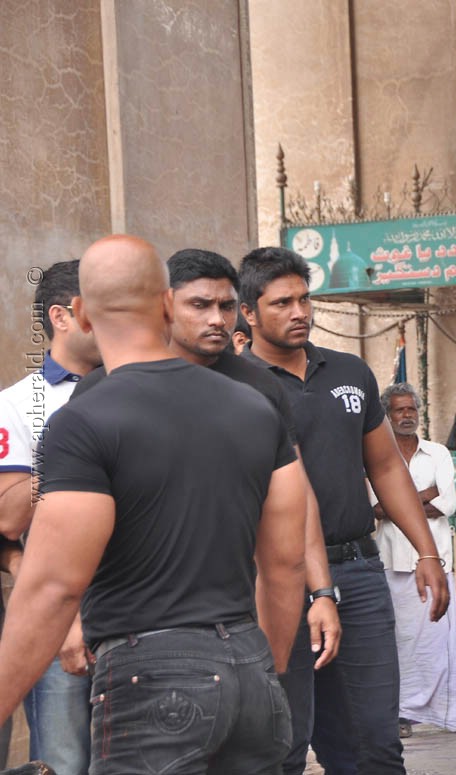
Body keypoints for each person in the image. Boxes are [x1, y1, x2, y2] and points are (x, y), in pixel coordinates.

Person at [0, 234, 308, 773]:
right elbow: (286, 562)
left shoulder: (83, 420)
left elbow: (54, 586)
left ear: (81, 313)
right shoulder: (254, 407)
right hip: (249, 659)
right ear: (167, 304)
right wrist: (268, 670)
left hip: (151, 678)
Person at [70, 248, 343, 674]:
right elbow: (74, 524)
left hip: (245, 619)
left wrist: (320, 591)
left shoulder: (259, 389)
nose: (217, 319)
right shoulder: (104, 389)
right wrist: (71, 618)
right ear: (165, 305)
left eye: (226, 306)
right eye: (199, 305)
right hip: (138, 633)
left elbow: (294, 501)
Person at [239, 246, 449, 775]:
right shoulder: (235, 385)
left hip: (359, 571)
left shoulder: (350, 372)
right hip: (275, 580)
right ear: (248, 313)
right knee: (283, 745)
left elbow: (385, 466)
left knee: (374, 743)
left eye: (304, 299)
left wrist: (427, 552)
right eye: (282, 303)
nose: (299, 312)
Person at [0, 259, 101, 775]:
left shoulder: (140, 392)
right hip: (61, 613)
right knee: (63, 762)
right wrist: (67, 453)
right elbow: (8, 519)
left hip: (144, 608)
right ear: (61, 317)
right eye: (100, 308)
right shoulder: (17, 404)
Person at [373, 383, 456, 738]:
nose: (407, 415)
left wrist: (397, 503)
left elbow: (447, 504)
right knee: (400, 641)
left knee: (444, 642)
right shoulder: (376, 454)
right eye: (399, 410)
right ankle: (401, 713)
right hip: (393, 562)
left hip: (435, 562)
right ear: (387, 415)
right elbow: (374, 507)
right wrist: (423, 496)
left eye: (411, 409)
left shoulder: (437, 453)